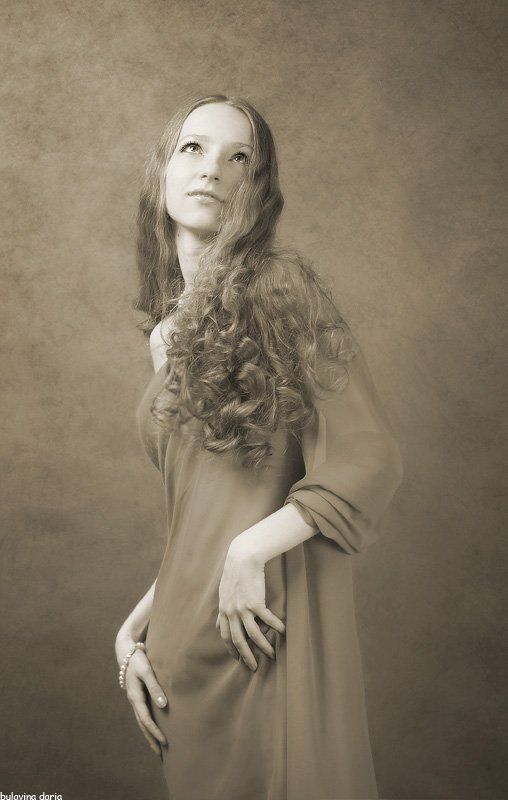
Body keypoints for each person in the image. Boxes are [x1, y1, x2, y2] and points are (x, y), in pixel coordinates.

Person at [114, 93, 404, 800]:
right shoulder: (164, 337)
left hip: (258, 623)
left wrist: (248, 554)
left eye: (238, 157)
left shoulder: (280, 289)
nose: (212, 168)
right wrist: (130, 634)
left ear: (257, 187)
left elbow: (370, 456)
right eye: (193, 147)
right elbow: (204, 514)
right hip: (180, 645)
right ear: (162, 170)